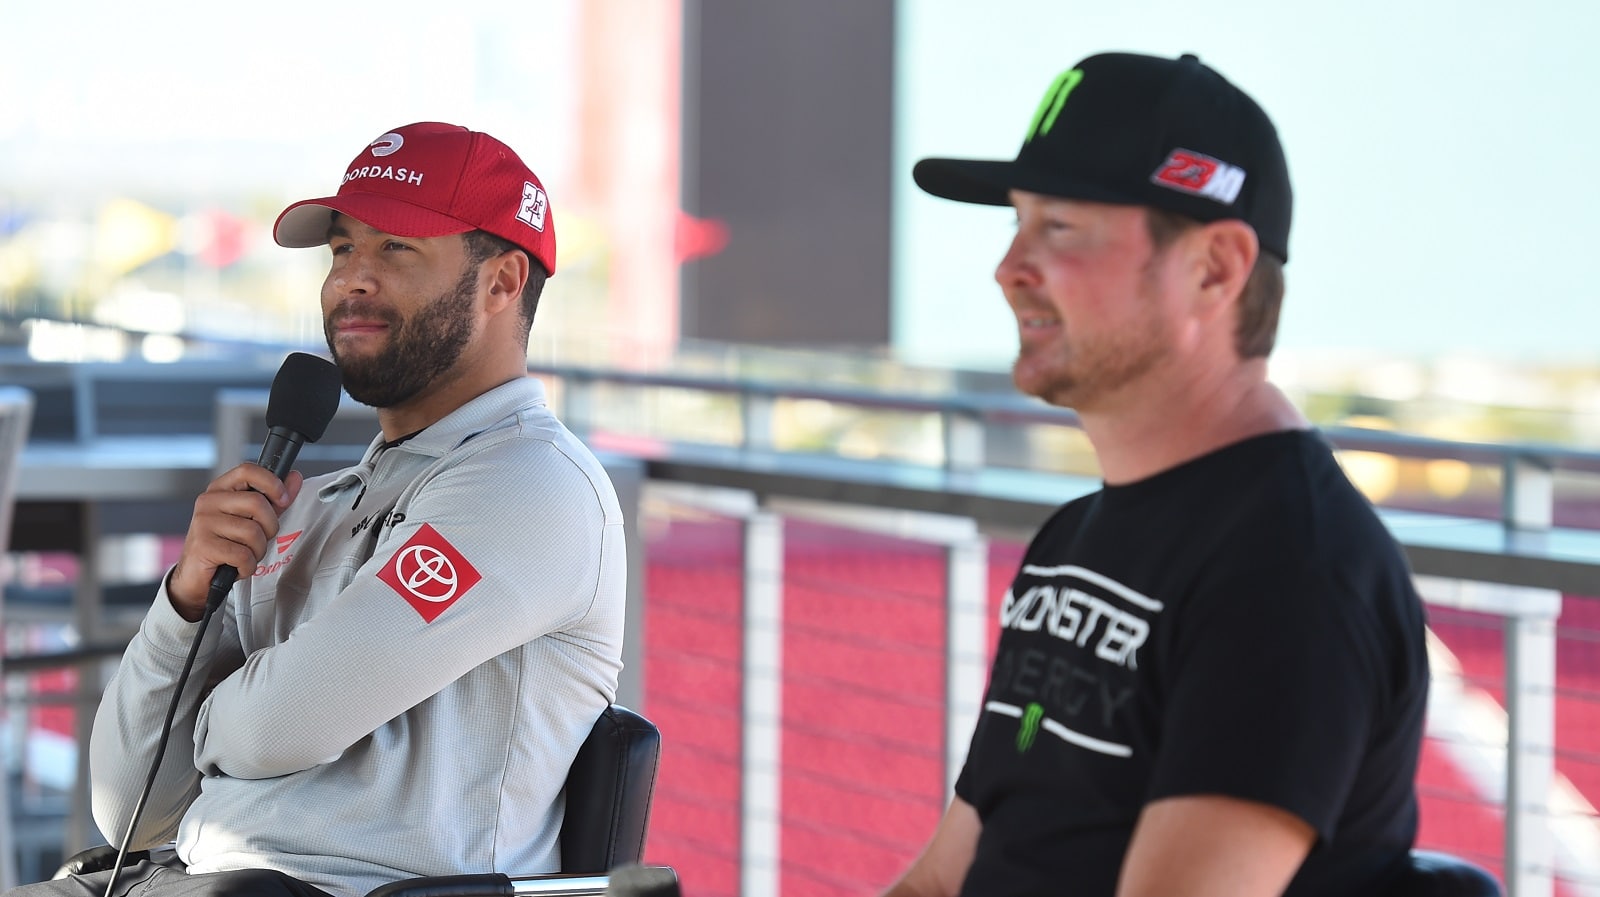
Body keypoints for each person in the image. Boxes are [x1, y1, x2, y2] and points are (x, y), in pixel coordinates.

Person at [24, 122, 626, 897]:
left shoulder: (532, 484)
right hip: (174, 879)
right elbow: (128, 806)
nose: (352, 280)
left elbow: (283, 724)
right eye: (342, 249)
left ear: (503, 282)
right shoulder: (313, 505)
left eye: (396, 247)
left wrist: (210, 720)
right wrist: (183, 600)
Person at [884, 53, 1429, 897]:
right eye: (1016, 223)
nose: (1009, 267)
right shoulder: (1074, 537)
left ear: (1215, 268)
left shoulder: (1290, 571)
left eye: (1059, 227)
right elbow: (940, 881)